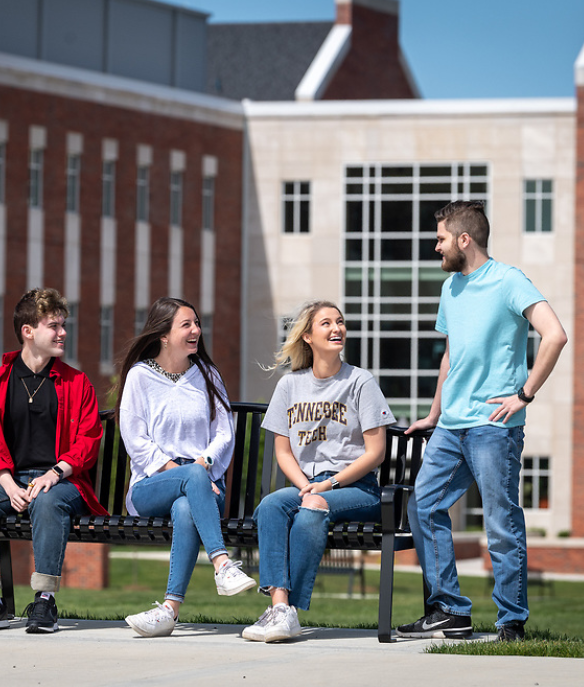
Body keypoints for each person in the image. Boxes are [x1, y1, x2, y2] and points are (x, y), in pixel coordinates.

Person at [397, 201, 567, 643]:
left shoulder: (508, 280)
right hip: (452, 426)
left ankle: (511, 621)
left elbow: (555, 334)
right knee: (424, 504)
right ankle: (450, 610)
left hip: (495, 426)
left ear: (464, 239)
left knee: (500, 521)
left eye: (440, 239)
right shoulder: (451, 288)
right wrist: (434, 415)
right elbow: (451, 357)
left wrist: (524, 394)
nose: (436, 247)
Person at [242, 301, 395, 643]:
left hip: (356, 487)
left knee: (311, 509)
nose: (337, 328)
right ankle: (279, 608)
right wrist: (306, 485)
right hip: (308, 485)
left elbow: (376, 453)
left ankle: (290, 612)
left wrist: (327, 484)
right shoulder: (290, 386)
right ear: (308, 336)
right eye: (326, 323)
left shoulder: (360, 382)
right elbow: (282, 451)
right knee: (270, 506)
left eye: (340, 322)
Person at [0, 288, 107, 633]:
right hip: (9, 480)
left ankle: (44, 601)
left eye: (63, 325)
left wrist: (53, 474)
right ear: (28, 331)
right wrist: (8, 484)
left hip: (63, 483)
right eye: (53, 325)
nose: (62, 332)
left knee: (48, 501)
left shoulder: (76, 382)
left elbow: (89, 440)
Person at [116, 297, 256, 637]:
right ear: (163, 334)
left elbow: (224, 433)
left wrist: (203, 465)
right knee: (190, 480)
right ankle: (222, 564)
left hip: (203, 486)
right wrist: (183, 472)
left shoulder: (207, 375)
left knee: (185, 507)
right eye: (187, 325)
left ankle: (169, 610)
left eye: (197, 323)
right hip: (151, 485)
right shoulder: (140, 377)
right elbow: (134, 438)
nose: (196, 330)